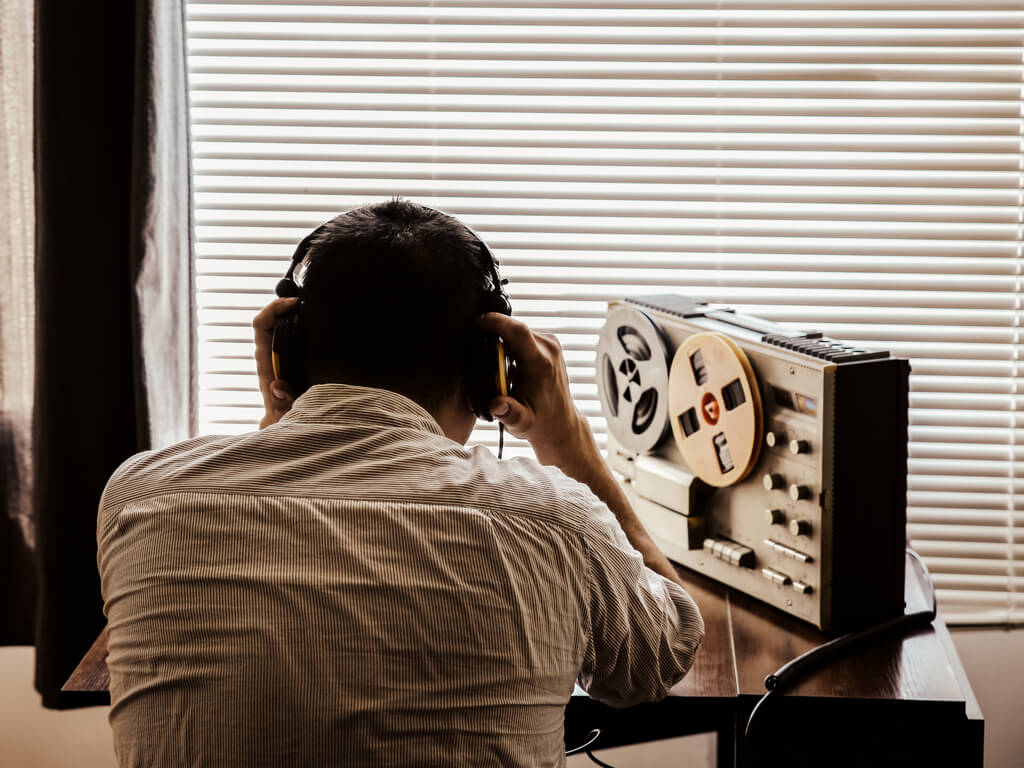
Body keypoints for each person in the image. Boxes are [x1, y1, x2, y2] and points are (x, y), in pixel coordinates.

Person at [97, 199, 704, 767]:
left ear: (288, 354)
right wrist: (573, 447)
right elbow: (664, 653)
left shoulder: (143, 496)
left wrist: (280, 421)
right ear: (487, 368)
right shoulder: (554, 520)